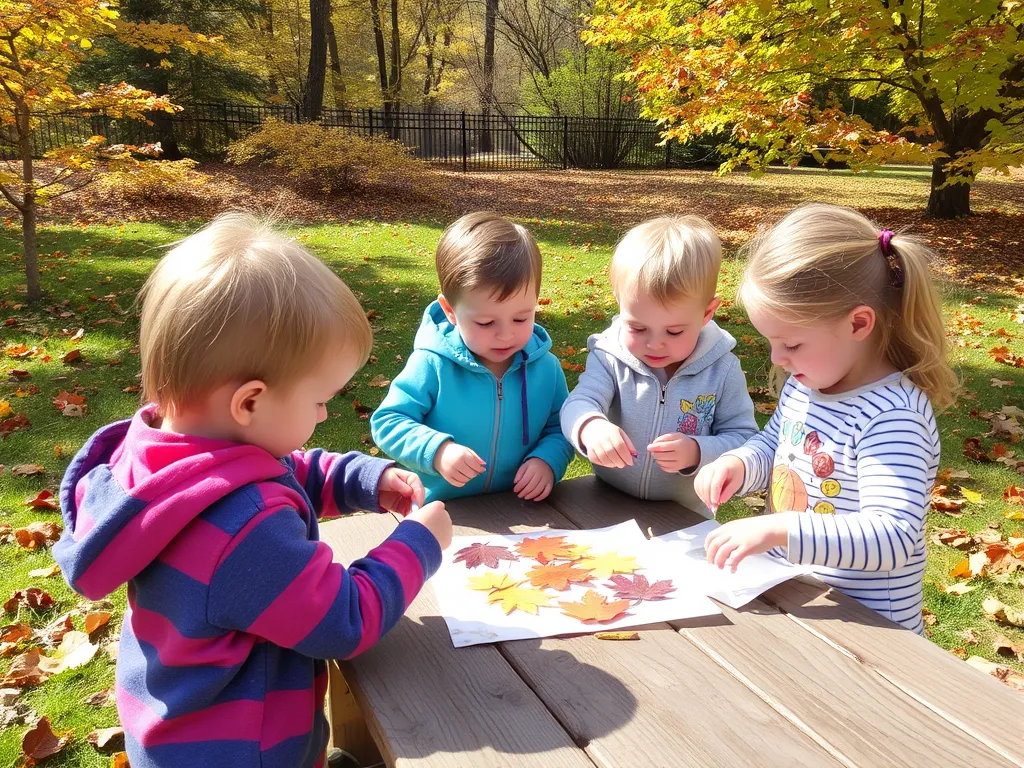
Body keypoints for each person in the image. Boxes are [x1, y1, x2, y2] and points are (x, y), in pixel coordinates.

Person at [53, 212, 452, 767]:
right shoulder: (240, 527)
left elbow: (283, 470)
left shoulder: (160, 458)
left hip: (181, 731)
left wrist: (366, 479)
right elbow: (342, 620)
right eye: (319, 399)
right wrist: (416, 545)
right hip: (243, 752)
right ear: (250, 402)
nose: (325, 411)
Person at [696, 204, 957, 633]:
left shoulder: (893, 417)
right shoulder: (806, 385)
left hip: (872, 631)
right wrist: (739, 465)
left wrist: (779, 528)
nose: (778, 358)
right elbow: (775, 445)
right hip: (797, 597)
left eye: (793, 344)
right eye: (772, 343)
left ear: (858, 323)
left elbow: (893, 537)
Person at [560, 216, 758, 515]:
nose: (655, 344)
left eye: (674, 331)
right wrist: (591, 426)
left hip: (684, 513)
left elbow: (744, 438)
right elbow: (580, 401)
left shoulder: (722, 369)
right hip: (607, 500)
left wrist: (697, 451)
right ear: (619, 302)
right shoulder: (610, 354)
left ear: (707, 313)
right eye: (638, 328)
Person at [371, 211, 573, 502]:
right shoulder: (432, 364)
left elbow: (560, 427)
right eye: (486, 323)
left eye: (521, 318)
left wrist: (547, 461)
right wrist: (438, 451)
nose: (505, 335)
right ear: (451, 311)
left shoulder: (546, 369)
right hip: (444, 511)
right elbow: (389, 421)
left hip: (519, 509)